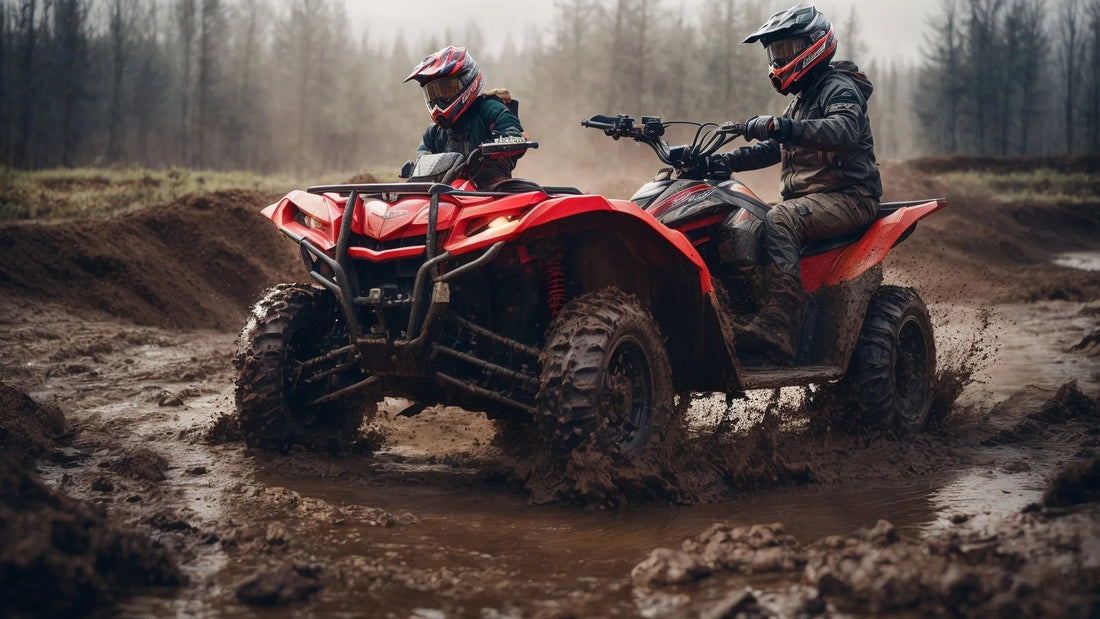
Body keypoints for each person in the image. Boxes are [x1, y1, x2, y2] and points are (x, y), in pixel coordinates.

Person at [684, 5, 882, 364]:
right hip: (814, 200)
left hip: (850, 196)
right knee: (745, 220)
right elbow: (773, 148)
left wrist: (781, 126)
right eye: (775, 53)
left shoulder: (840, 87)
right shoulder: (800, 102)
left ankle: (779, 325)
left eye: (787, 50)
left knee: (780, 219)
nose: (779, 60)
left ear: (814, 45)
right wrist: (723, 162)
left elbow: (843, 129)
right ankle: (747, 309)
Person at [403, 45, 527, 189]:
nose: (438, 99)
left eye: (446, 89)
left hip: (490, 191)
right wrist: (415, 168)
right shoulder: (434, 133)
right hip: (445, 193)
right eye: (433, 93)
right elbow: (423, 154)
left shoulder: (489, 108)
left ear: (467, 81)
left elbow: (514, 133)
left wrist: (489, 150)